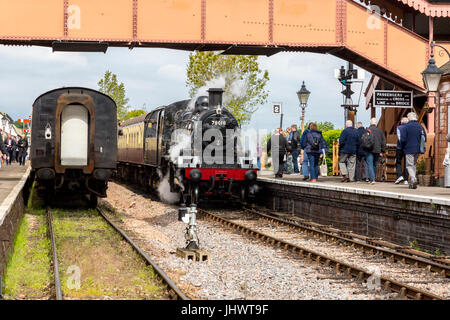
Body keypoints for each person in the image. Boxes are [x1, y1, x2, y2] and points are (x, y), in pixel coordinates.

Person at [400, 112, 426, 189]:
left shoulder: (406, 127)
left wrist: (402, 147)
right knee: (413, 165)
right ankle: (412, 182)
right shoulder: (420, 126)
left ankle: (413, 178)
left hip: (409, 148)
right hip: (418, 149)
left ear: (408, 118)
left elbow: (403, 139)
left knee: (409, 165)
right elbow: (425, 138)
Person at [365, 118, 386, 184]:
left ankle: (372, 179)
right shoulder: (380, 131)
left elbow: (363, 140)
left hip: (369, 149)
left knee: (370, 164)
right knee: (375, 164)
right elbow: (383, 142)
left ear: (370, 123)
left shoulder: (367, 130)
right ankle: (373, 178)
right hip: (377, 150)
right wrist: (382, 151)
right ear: (376, 123)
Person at [395, 117, 409, 185]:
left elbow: (399, 137)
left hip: (400, 147)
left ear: (401, 122)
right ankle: (406, 179)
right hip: (407, 148)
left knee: (398, 162)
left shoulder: (399, 128)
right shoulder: (409, 128)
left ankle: (399, 175)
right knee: (406, 164)